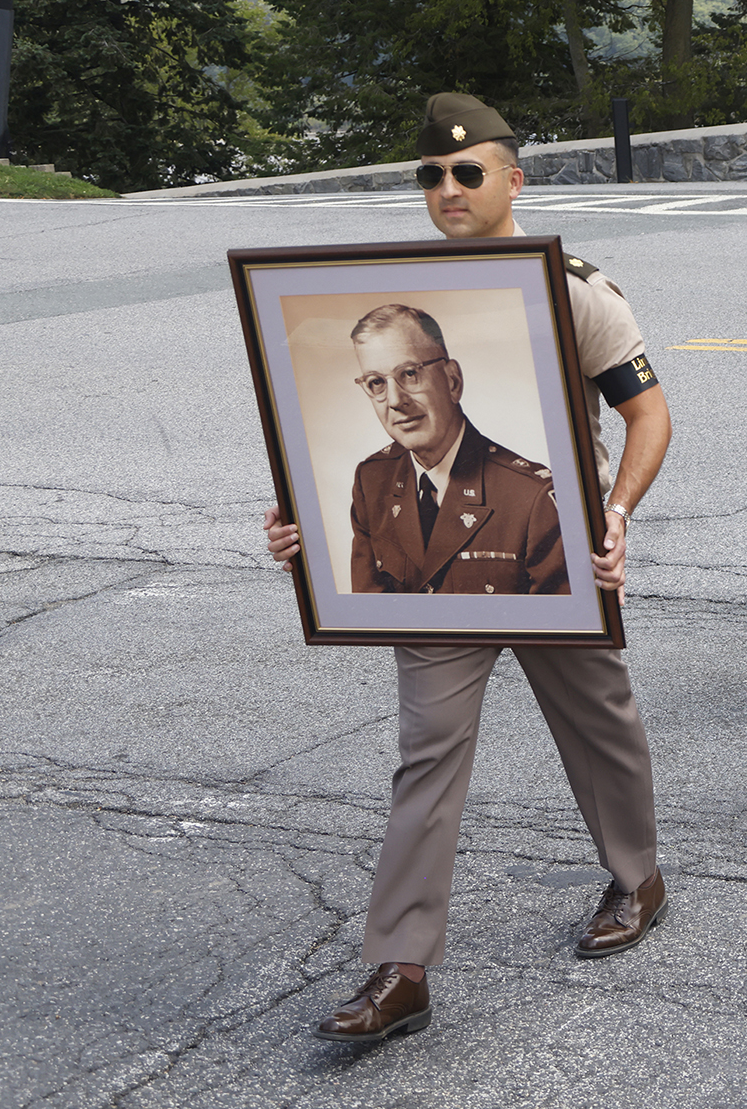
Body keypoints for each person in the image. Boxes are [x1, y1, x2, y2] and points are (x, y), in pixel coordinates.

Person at [263, 92, 674, 1045]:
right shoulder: (387, 293)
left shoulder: (570, 288)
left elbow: (648, 414)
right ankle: (401, 966)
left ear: (512, 180)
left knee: (599, 724)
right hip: (430, 581)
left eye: (468, 171)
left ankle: (637, 876)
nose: (447, 187)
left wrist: (614, 515)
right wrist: (303, 538)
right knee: (427, 758)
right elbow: (335, 494)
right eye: (431, 175)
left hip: (554, 557)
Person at [344, 304, 569, 596]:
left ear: (452, 381)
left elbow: (557, 631)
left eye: (409, 374)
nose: (395, 400)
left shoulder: (532, 497)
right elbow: (371, 615)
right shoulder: (372, 480)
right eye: (376, 382)